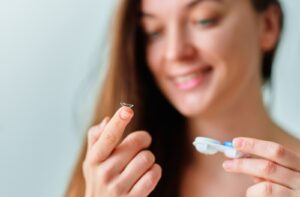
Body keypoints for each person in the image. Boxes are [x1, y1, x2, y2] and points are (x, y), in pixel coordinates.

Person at [66, 0, 300, 196]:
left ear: (268, 26)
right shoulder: (112, 179)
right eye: (154, 32)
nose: (174, 52)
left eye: (203, 20)